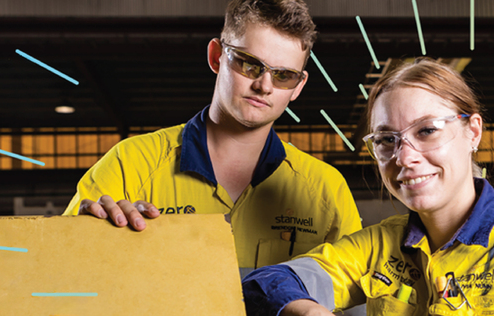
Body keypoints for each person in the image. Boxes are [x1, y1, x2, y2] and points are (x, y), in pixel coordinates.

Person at [241, 58, 494, 316]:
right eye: (386, 140)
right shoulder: (378, 247)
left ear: (473, 132)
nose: (404, 157)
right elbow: (265, 285)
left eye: (427, 131)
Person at [61, 0, 361, 276]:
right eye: (249, 64)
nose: (264, 85)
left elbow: (354, 293)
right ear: (217, 56)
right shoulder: (132, 163)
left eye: (284, 75)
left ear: (298, 86)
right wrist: (88, 233)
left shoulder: (325, 190)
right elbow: (60, 267)